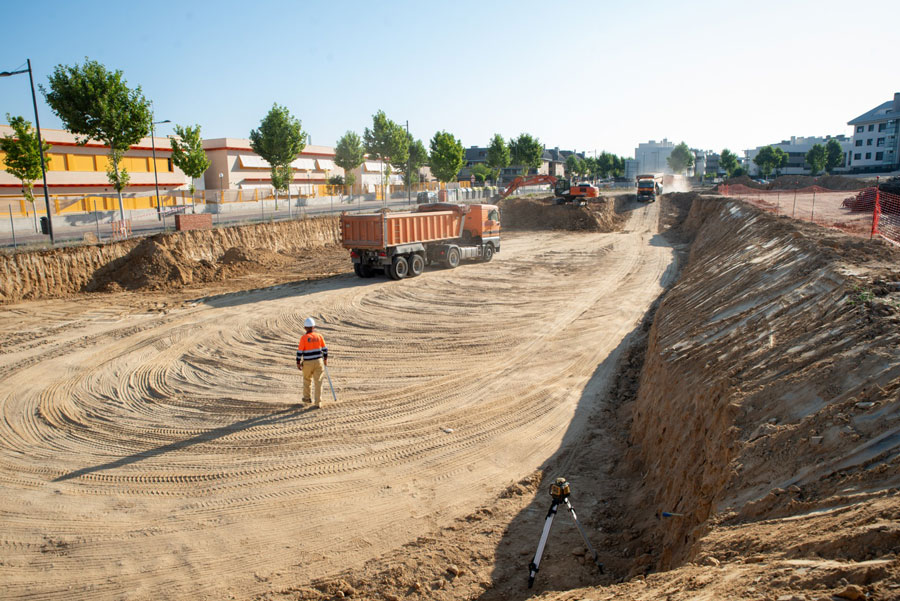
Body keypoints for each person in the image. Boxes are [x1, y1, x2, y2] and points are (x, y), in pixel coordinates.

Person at [296, 317, 328, 408]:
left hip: (308, 363)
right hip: (319, 362)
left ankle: (307, 398)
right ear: (314, 327)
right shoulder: (319, 336)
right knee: (318, 382)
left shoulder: (304, 338)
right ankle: (318, 402)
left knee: (307, 380)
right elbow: (325, 349)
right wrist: (325, 359)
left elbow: (299, 352)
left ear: (305, 328)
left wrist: (298, 362)